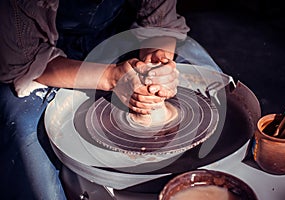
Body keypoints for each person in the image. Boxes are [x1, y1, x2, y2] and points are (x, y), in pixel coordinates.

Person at [0, 0, 193, 199]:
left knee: (200, 72)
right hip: (44, 59)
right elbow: (24, 61)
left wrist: (157, 63)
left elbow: (161, 25)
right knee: (28, 135)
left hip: (114, 38)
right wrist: (112, 78)